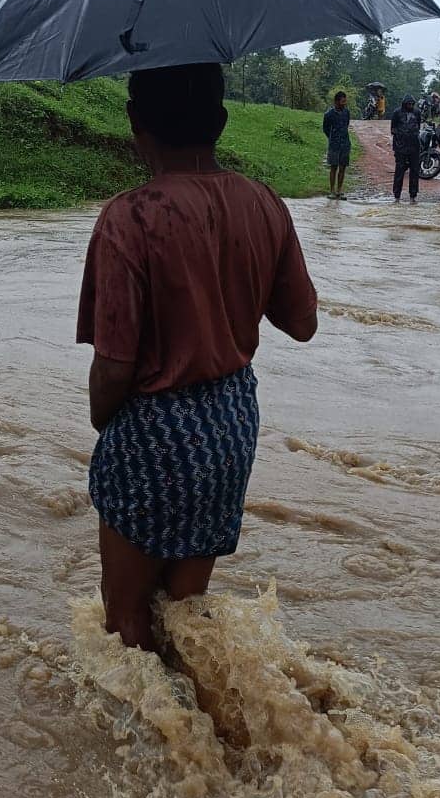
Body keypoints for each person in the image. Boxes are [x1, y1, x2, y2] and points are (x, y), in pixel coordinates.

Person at [76, 62, 318, 650]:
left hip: (153, 428)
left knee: (126, 619)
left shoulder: (128, 218)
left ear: (136, 124)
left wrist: (104, 422)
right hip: (231, 424)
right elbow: (303, 323)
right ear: (222, 120)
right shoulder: (263, 203)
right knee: (185, 615)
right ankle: (202, 722)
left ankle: (152, 737)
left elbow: (114, 366)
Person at [390, 93, 421, 203]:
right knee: (399, 170)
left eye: (412, 104)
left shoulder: (417, 112)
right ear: (404, 104)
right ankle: (397, 196)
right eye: (409, 104)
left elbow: (418, 126)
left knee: (414, 171)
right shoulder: (397, 113)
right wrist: (401, 135)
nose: (411, 106)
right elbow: (393, 129)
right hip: (400, 146)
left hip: (414, 145)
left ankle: (413, 196)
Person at [322, 91, 351, 197]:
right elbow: (325, 129)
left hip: (345, 143)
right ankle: (332, 191)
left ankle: (339, 190)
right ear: (336, 102)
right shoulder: (329, 114)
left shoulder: (346, 112)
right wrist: (332, 138)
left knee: (343, 167)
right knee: (333, 167)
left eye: (345, 101)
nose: (344, 103)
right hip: (334, 144)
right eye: (342, 101)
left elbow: (346, 124)